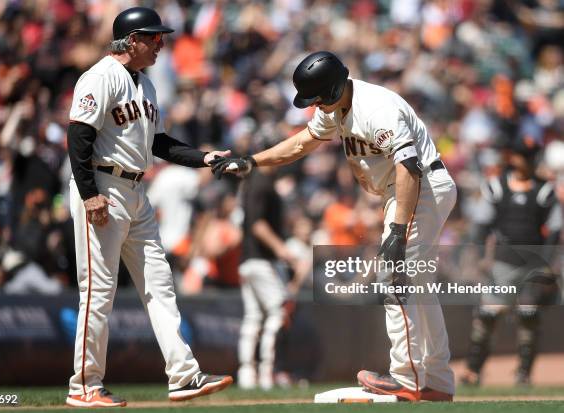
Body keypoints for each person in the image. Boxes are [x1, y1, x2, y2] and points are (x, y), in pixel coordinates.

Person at [210, 51, 457, 401]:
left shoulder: (376, 108)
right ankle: (437, 381)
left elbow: (409, 167)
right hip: (412, 189)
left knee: (393, 273)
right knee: (418, 284)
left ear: (334, 88)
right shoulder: (337, 105)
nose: (314, 106)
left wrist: (398, 231)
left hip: (421, 186)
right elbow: (302, 142)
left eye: (316, 99)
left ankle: (406, 376)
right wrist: (253, 161)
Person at [65, 7, 232, 408]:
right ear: (131, 39)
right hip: (102, 186)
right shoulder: (100, 77)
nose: (162, 44)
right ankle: (84, 384)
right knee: (98, 292)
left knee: (160, 284)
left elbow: (160, 144)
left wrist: (204, 157)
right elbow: (78, 136)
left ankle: (184, 375)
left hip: (137, 192)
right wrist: (89, 194)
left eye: (161, 37)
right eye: (154, 37)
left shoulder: (147, 85)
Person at [460, 137, 559, 386]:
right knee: (488, 314)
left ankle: (524, 373)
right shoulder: (497, 187)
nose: (523, 160)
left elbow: (556, 229)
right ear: (512, 158)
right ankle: (473, 371)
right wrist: (480, 255)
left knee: (528, 315)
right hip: (503, 263)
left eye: (527, 155)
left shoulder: (544, 190)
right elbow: (481, 224)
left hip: (533, 263)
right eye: (519, 154)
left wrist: (548, 263)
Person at [236, 164, 298, 390]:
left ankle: (246, 373)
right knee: (279, 311)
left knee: (253, 317)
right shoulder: (262, 183)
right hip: (263, 261)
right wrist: (281, 248)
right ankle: (267, 371)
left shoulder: (251, 183)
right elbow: (258, 225)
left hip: (247, 260)